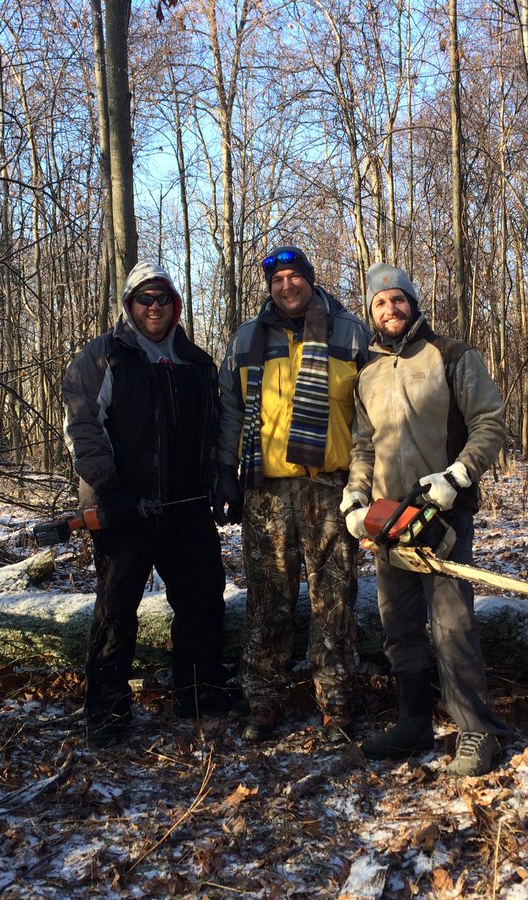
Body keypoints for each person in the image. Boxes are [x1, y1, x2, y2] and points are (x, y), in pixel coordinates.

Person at [342, 261, 508, 777]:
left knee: (453, 624)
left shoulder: (451, 355)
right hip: (389, 523)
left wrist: (457, 476)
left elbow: (489, 422)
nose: (390, 309)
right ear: (371, 312)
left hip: (443, 514)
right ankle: (413, 723)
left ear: (412, 302)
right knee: (400, 627)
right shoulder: (366, 372)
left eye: (398, 298)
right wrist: (355, 497)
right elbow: (364, 444)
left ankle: (478, 732)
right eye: (380, 303)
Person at [63, 260, 228, 748]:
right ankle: (107, 709)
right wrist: (112, 496)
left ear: (175, 306)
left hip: (188, 508)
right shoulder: (101, 359)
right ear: (129, 306)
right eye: (144, 299)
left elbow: (217, 430)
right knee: (116, 609)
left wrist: (221, 483)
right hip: (125, 510)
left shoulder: (196, 362)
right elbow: (84, 433)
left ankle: (199, 695)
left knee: (202, 602)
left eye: (162, 299)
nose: (154, 307)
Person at [215, 245, 372, 743]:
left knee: (334, 600)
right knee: (267, 601)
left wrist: (371, 481)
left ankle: (338, 700)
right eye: (278, 279)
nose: (287, 286)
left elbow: (371, 414)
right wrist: (224, 471)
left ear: (309, 279)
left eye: (294, 277)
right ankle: (263, 699)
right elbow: (231, 411)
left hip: (330, 485)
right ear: (270, 287)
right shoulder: (247, 338)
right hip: (266, 489)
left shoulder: (349, 331)